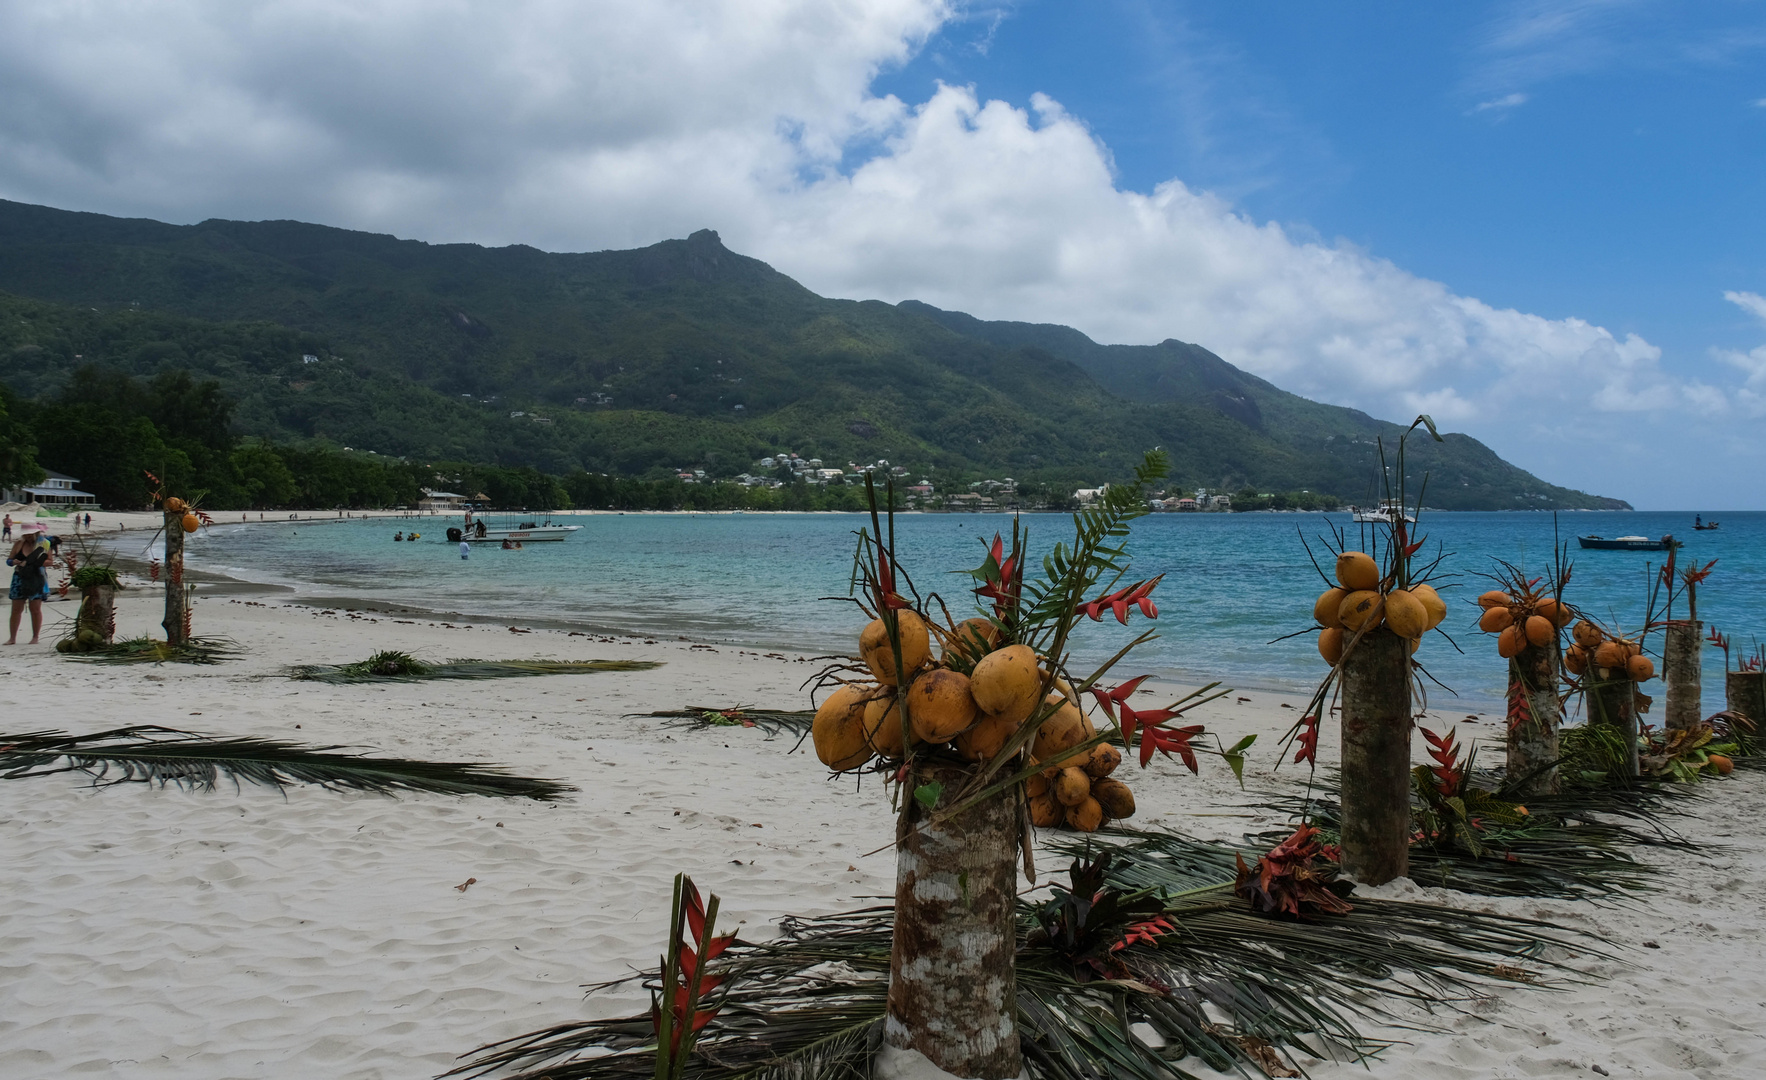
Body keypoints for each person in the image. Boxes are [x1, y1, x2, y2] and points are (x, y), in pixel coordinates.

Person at [6, 524, 55, 645]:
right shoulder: (19, 544)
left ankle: (35, 637)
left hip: (36, 578)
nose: (28, 537)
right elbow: (9, 560)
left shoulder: (44, 544)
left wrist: (36, 562)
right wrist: (14, 562)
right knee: (16, 609)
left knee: (35, 609)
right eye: (26, 534)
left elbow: (50, 561)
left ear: (36, 533)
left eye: (30, 534)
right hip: (19, 578)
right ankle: (12, 638)